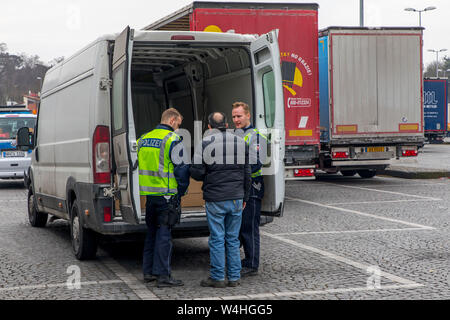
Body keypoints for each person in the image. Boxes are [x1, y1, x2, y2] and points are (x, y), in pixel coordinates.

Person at [190, 112, 251, 288]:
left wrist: (207, 175)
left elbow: (196, 171)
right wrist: (245, 196)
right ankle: (234, 277)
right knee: (232, 239)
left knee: (217, 238)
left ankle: (217, 277)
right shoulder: (241, 142)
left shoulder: (205, 143)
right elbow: (247, 173)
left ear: (209, 127)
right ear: (226, 124)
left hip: (215, 197)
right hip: (236, 198)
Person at [138, 108, 190, 288]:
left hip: (149, 196)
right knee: (164, 235)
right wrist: (181, 191)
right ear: (173, 120)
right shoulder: (173, 140)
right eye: (178, 124)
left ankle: (149, 272)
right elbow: (182, 169)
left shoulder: (143, 138)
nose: (178, 128)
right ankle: (163, 275)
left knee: (152, 233)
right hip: (167, 195)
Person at [232, 101, 268, 277]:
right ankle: (240, 259)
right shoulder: (237, 135)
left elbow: (254, 163)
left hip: (252, 187)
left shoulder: (255, 136)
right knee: (239, 227)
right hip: (239, 187)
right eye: (234, 116)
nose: (236, 119)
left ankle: (252, 263)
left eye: (239, 116)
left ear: (248, 116)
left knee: (249, 227)